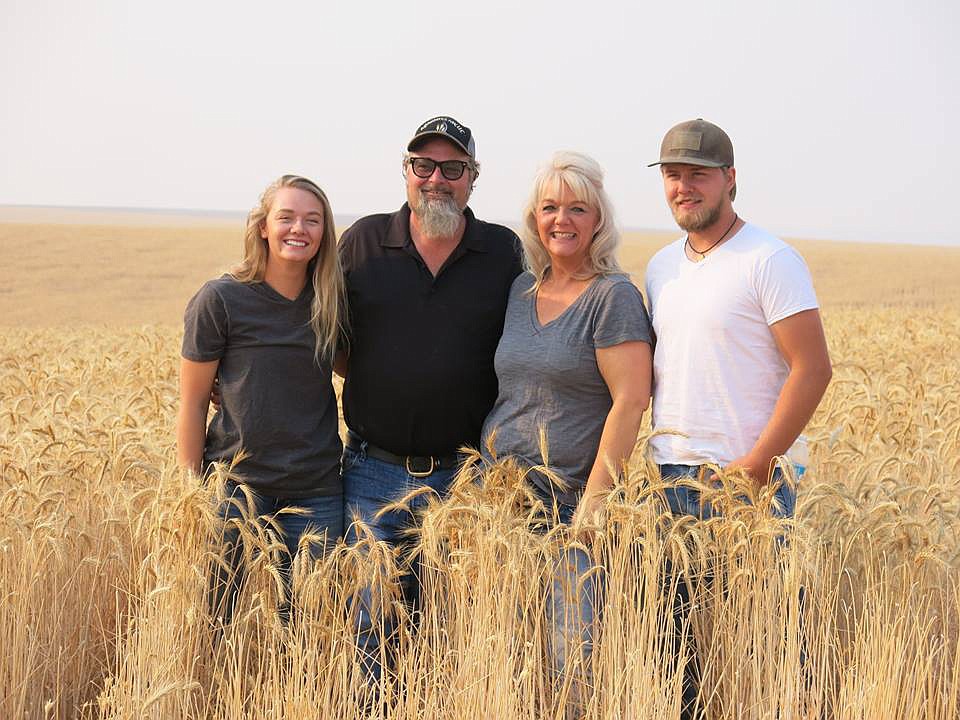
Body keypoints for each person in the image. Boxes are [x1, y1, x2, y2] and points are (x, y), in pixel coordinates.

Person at [644, 119, 832, 717]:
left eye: (697, 174)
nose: (683, 186)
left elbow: (812, 368)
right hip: (671, 480)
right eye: (673, 174)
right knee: (680, 655)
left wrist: (758, 462)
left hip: (752, 483)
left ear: (729, 179)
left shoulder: (769, 260)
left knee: (771, 645)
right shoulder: (660, 267)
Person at [337, 116, 524, 681]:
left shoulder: (503, 251)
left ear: (473, 178)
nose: (436, 178)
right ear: (406, 171)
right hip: (373, 474)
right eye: (424, 165)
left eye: (452, 168)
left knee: (454, 639)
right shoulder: (364, 242)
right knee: (372, 640)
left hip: (468, 478)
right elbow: (328, 339)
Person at [481, 151, 653, 702]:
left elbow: (630, 401)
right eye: (551, 207)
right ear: (535, 219)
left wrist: (594, 506)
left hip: (571, 504)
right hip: (501, 501)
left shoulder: (613, 297)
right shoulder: (520, 292)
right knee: (507, 658)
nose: (563, 220)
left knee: (570, 666)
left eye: (578, 208)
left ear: (598, 219)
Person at [177, 174, 346, 625]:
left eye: (313, 220)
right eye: (286, 217)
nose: (299, 229)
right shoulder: (222, 300)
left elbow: (359, 368)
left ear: (325, 234)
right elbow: (194, 403)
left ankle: (296, 699)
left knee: (307, 628)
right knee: (219, 621)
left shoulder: (331, 302)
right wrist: (191, 494)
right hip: (235, 487)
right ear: (263, 227)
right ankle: (219, 698)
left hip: (316, 489)